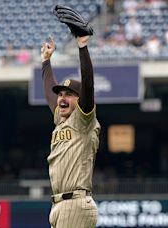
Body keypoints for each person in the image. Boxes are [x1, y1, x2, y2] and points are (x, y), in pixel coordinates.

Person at [41, 35, 100, 228]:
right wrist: (46, 62)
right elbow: (51, 95)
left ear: (80, 99)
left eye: (69, 95)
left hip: (75, 203)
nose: (62, 98)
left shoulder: (84, 120)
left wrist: (82, 47)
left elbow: (88, 84)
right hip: (60, 205)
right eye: (61, 94)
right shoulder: (61, 120)